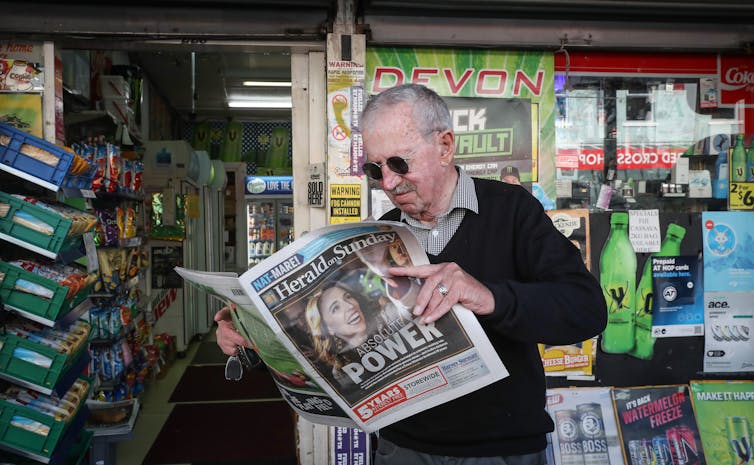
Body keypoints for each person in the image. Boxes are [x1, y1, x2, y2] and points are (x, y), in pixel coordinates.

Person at [216, 83, 606, 464]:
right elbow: (333, 349)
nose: (388, 183)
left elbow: (586, 311)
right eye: (375, 168)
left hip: (501, 448)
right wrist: (254, 337)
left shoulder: (512, 210)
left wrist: (488, 297)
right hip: (403, 446)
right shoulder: (377, 235)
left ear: (444, 146)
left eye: (400, 163)